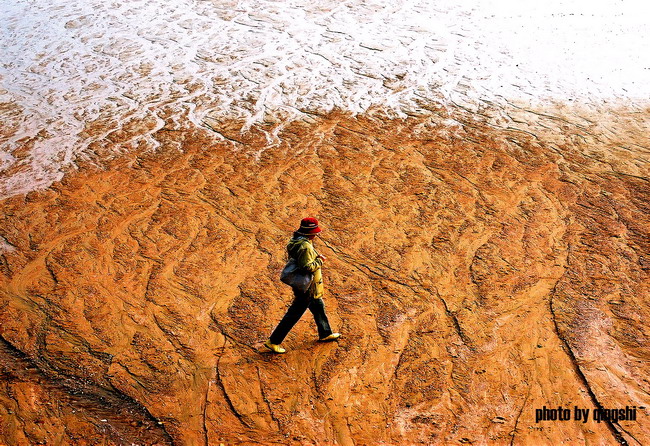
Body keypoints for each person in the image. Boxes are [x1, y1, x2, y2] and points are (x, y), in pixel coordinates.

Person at [264, 217, 340, 354]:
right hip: (307, 286)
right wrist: (320, 261)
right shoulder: (305, 246)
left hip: (306, 284)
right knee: (294, 314)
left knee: (318, 307)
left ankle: (325, 333)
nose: (316, 235)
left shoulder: (295, 241)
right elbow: (306, 267)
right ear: (309, 232)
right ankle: (273, 341)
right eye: (314, 232)